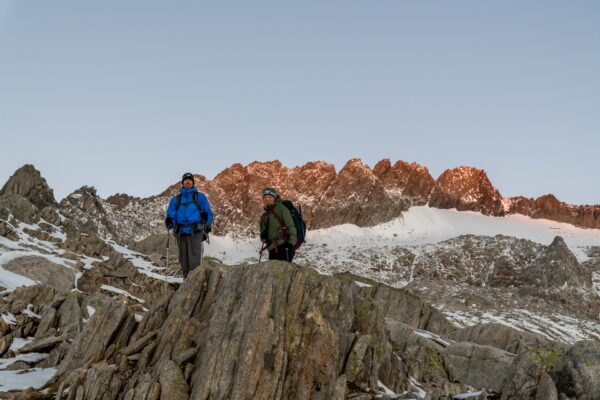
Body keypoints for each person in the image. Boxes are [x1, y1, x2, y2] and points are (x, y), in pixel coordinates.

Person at [165, 172, 214, 277]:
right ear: (182, 183)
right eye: (186, 180)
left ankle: (194, 286)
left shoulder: (200, 197)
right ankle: (186, 285)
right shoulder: (176, 200)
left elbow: (208, 213)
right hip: (181, 233)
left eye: (190, 180)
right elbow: (171, 213)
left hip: (195, 232)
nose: (188, 181)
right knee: (184, 262)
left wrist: (206, 219)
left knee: (194, 262)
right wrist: (170, 221)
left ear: (193, 182)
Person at [259, 187, 297, 262]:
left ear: (274, 198)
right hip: (271, 249)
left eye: (270, 197)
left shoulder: (281, 208)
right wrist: (263, 236)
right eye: (265, 197)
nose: (267, 199)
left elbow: (291, 226)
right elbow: (262, 234)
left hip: (284, 246)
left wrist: (291, 244)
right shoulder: (264, 216)